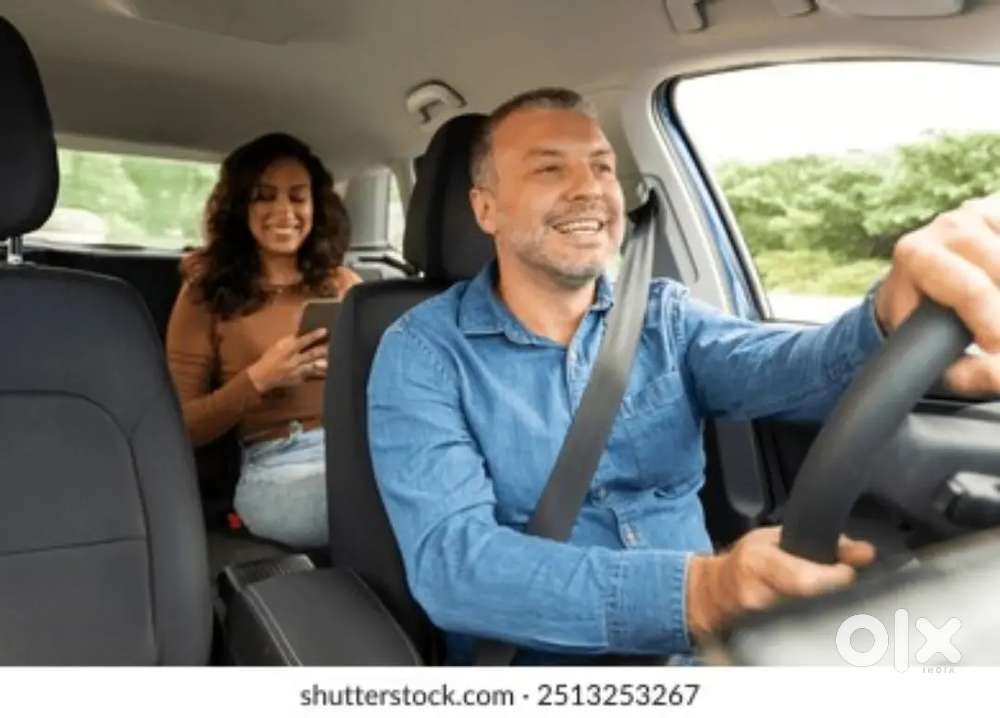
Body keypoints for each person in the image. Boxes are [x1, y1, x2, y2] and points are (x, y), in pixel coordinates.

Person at [367, 88, 1000, 665]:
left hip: (706, 660)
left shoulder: (665, 318)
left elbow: (793, 366)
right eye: (549, 169)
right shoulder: (422, 352)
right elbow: (455, 566)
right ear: (486, 209)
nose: (589, 189)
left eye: (602, 167)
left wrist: (886, 317)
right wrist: (699, 592)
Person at [167, 132, 361, 549]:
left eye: (298, 197)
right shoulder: (205, 293)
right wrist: (260, 379)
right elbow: (178, 428)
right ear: (241, 207)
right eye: (264, 196)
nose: (284, 212)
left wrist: (350, 367)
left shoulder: (344, 284)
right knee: (380, 505)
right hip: (277, 470)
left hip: (358, 452)